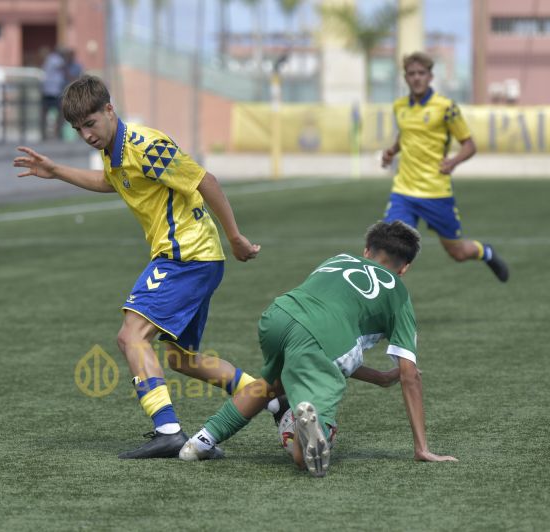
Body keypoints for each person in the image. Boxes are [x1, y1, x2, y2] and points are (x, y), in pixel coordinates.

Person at [13, 75, 261, 459]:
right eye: (78, 129)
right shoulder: (115, 149)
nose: (86, 135)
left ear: (110, 110)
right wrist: (57, 170)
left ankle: (168, 430)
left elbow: (204, 179)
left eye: (90, 124)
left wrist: (236, 237)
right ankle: (265, 397)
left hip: (186, 255)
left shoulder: (145, 145)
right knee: (183, 359)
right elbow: (110, 181)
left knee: (131, 336)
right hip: (195, 257)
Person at [179, 221, 458, 477]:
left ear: (366, 251)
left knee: (270, 384)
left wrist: (381, 378)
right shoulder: (398, 294)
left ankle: (200, 442)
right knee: (307, 459)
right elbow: (410, 375)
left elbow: (318, 345)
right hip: (321, 338)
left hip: (278, 315)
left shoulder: (338, 259)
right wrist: (421, 448)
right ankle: (304, 432)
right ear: (405, 268)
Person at [381, 51, 508, 282]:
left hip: (436, 192)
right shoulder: (400, 107)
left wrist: (454, 161)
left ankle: (485, 252)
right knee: (390, 247)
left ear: (430, 76)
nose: (417, 78)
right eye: (412, 74)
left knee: (457, 252)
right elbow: (407, 134)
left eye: (421, 73)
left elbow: (469, 145)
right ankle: (386, 308)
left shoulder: (446, 107)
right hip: (404, 191)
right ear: (405, 78)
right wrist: (392, 151)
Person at [40, 46, 67, 140]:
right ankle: (58, 134)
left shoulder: (49, 59)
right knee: (60, 113)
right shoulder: (56, 58)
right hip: (54, 91)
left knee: (45, 113)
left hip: (48, 90)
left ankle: (44, 134)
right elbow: (63, 67)